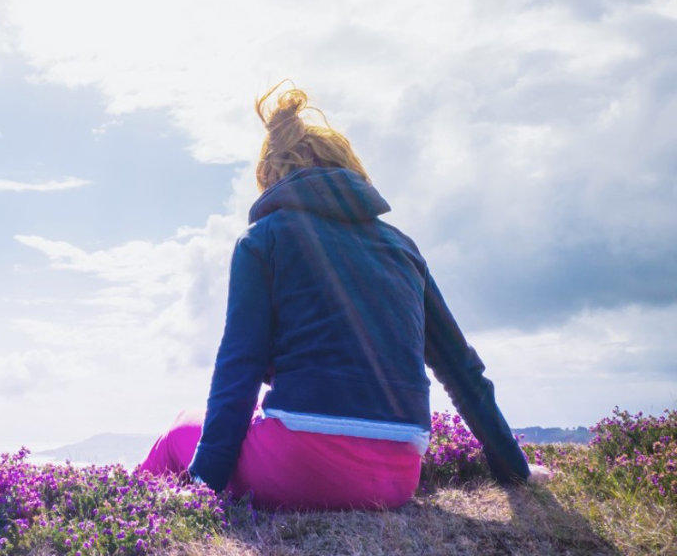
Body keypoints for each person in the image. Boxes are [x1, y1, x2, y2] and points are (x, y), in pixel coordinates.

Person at [137, 80, 549, 511]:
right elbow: (462, 370)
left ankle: (133, 515)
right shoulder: (403, 248)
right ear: (350, 170)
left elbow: (239, 368)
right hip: (396, 476)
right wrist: (515, 469)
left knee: (180, 430)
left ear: (271, 176)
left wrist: (204, 489)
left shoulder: (262, 241)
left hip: (301, 465)